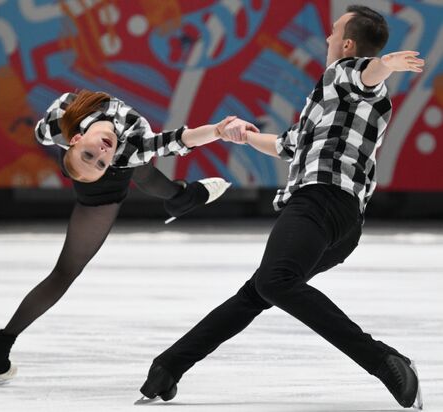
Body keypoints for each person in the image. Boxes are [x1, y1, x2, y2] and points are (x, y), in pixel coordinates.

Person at [139, 5, 425, 409]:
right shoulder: (328, 98)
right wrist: (241, 136)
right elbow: (288, 146)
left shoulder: (346, 73)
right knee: (260, 289)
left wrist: (387, 64)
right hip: (342, 223)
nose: (327, 38)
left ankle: (383, 360)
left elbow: (368, 75)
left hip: (321, 200)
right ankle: (168, 366)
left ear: (346, 43)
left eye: (333, 32)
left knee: (273, 283)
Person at [0, 89, 250, 386]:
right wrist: (218, 131)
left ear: (75, 140)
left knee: (133, 160)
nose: (101, 153)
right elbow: (181, 139)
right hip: (102, 188)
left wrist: (78, 146)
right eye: (98, 160)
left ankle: (179, 197)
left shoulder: (64, 116)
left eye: (92, 154)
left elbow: (41, 132)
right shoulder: (127, 149)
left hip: (91, 152)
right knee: (65, 271)